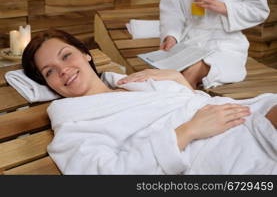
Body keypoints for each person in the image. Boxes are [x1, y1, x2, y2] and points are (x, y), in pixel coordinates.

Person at [21, 29, 277, 175]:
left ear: (86, 55)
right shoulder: (74, 128)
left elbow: (190, 103)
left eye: (66, 56)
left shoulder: (135, 82)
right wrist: (187, 132)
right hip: (216, 154)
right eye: (50, 71)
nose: (63, 70)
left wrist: (179, 79)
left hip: (241, 116)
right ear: (48, 85)